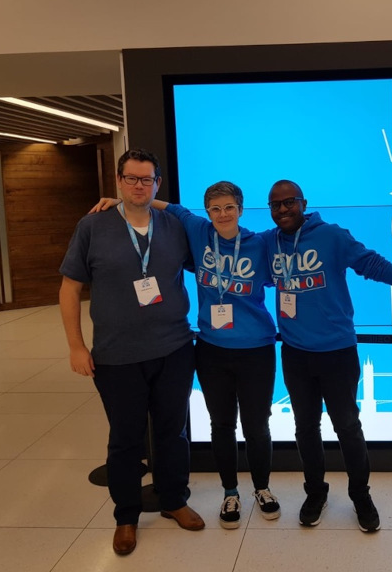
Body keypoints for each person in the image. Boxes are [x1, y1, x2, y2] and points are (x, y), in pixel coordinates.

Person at [262, 180, 392, 532]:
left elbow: (374, 265)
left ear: (303, 203)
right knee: (305, 428)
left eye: (289, 202)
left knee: (348, 427)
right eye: (275, 205)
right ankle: (315, 493)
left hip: (337, 352)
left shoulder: (331, 236)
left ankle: (360, 496)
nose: (282, 209)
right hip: (295, 353)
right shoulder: (268, 242)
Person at [94, 181, 281, 530]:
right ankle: (230, 492)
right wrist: (121, 201)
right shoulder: (197, 230)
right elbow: (171, 207)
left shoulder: (260, 244)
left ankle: (262, 488)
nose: (222, 214)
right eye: (215, 209)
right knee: (221, 425)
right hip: (211, 350)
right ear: (207, 212)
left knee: (257, 426)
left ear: (241, 210)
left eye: (229, 207)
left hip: (257, 349)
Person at [59, 149, 204, 556]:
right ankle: (126, 516)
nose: (139, 186)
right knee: (125, 439)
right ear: (118, 180)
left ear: (158, 184)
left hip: (174, 348)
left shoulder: (174, 226)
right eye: (131, 179)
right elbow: (70, 288)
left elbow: (210, 261)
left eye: (146, 179)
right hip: (116, 356)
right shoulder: (92, 226)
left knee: (172, 432)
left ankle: (174, 499)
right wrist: (76, 346)